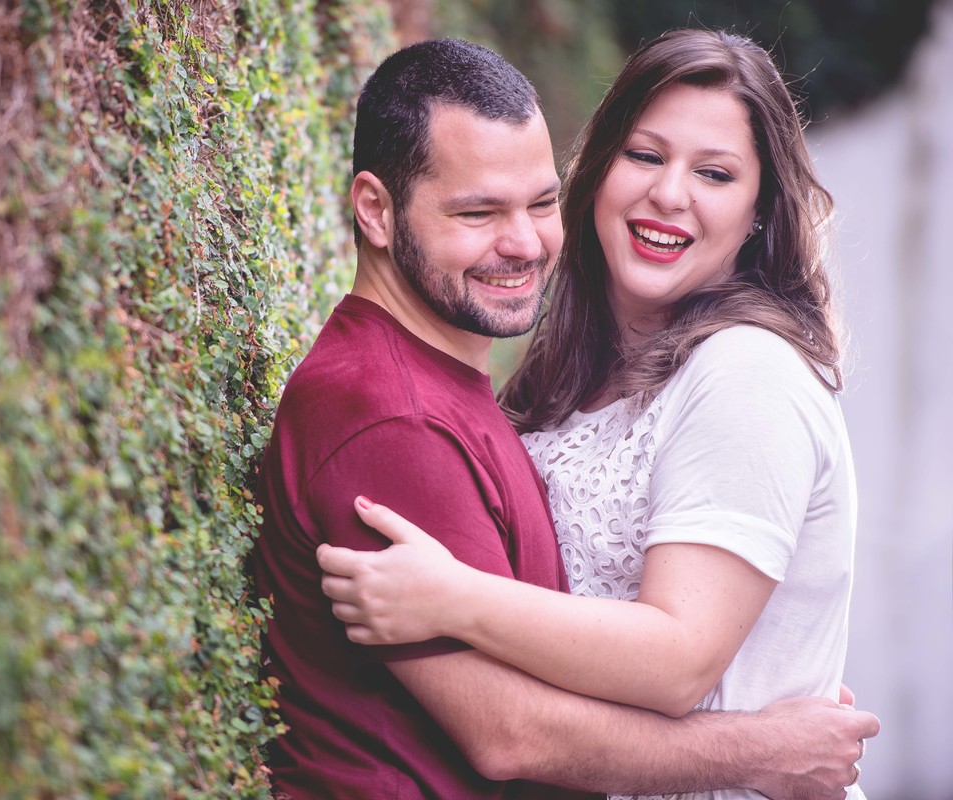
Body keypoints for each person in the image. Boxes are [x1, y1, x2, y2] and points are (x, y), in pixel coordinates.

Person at [250, 36, 878, 800]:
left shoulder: (744, 370)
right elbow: (508, 729)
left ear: (759, 211)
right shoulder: (467, 397)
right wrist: (758, 750)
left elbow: (679, 658)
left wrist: (455, 597)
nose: (671, 194)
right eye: (646, 156)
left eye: (715, 173)